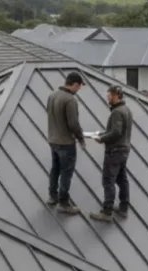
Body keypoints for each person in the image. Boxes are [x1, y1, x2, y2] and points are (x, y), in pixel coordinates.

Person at [90, 84, 133, 222]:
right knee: (122, 179)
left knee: (108, 180)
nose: (107, 98)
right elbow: (119, 130)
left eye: (110, 96)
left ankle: (107, 212)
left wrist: (102, 138)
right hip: (124, 150)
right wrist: (103, 133)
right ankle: (124, 207)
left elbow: (116, 132)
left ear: (116, 96)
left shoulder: (117, 112)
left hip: (114, 151)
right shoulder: (126, 109)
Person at [46, 71, 86, 214]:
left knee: (55, 169)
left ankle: (52, 196)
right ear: (75, 84)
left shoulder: (52, 95)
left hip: (53, 140)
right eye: (79, 86)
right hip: (66, 143)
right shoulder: (70, 100)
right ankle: (64, 203)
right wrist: (81, 139)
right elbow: (73, 124)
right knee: (66, 172)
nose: (79, 89)